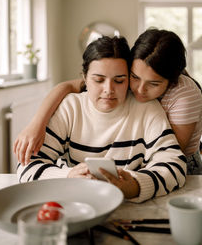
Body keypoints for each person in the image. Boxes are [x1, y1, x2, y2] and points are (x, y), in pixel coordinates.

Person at [16, 36, 186, 203]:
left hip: (127, 208)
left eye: (119, 81)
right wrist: (68, 176)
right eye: (98, 80)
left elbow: (174, 166)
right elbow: (26, 166)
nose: (108, 90)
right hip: (76, 203)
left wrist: (135, 186)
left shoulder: (148, 109)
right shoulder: (70, 108)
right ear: (84, 78)